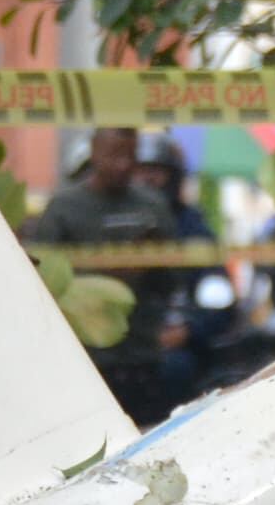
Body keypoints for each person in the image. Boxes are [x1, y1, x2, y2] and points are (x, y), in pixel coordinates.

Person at [32, 127, 199, 421]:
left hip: (143, 353)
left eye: (129, 155)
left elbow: (174, 279)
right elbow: (43, 279)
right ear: (94, 153)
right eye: (113, 155)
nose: (122, 165)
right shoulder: (65, 208)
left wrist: (156, 256)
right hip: (85, 356)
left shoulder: (153, 206)